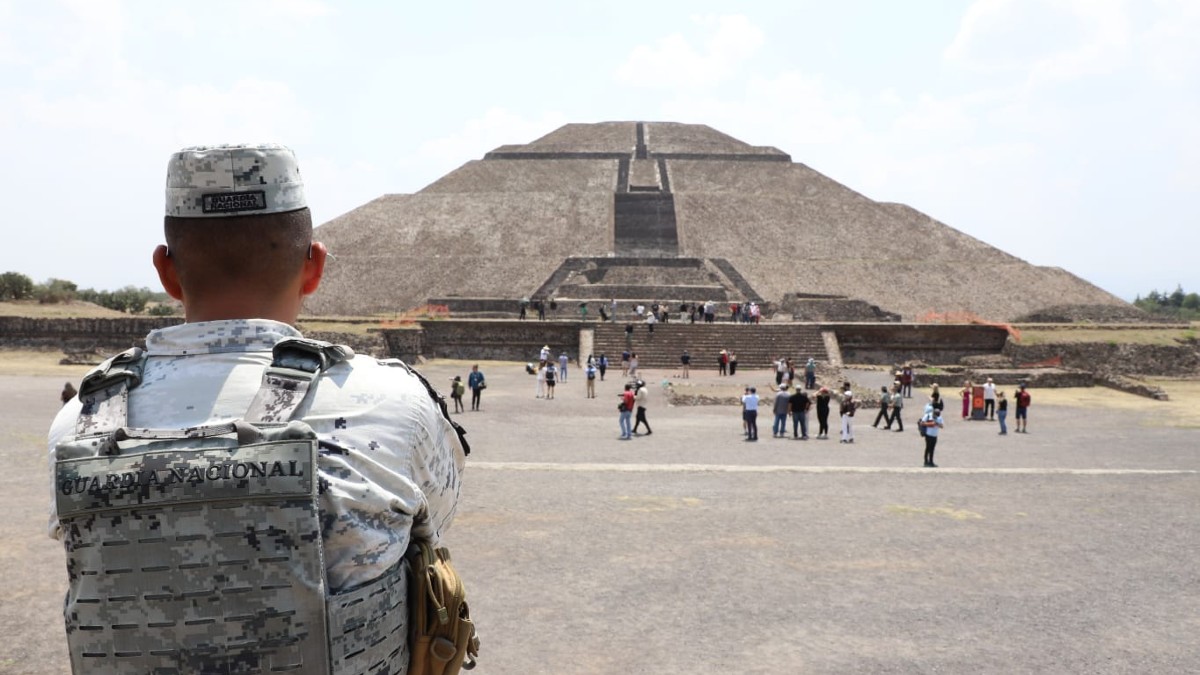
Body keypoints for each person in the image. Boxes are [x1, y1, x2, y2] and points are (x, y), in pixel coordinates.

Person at [46, 144, 466, 674]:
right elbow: (436, 523)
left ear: (165, 271)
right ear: (313, 266)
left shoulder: (80, 425)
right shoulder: (392, 404)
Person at [921, 399, 945, 467]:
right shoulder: (928, 415)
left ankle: (931, 461)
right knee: (927, 448)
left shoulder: (939, 417)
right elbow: (922, 423)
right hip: (928, 435)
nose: (936, 416)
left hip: (935, 435)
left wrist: (937, 424)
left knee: (932, 449)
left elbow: (942, 425)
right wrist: (930, 424)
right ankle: (926, 462)